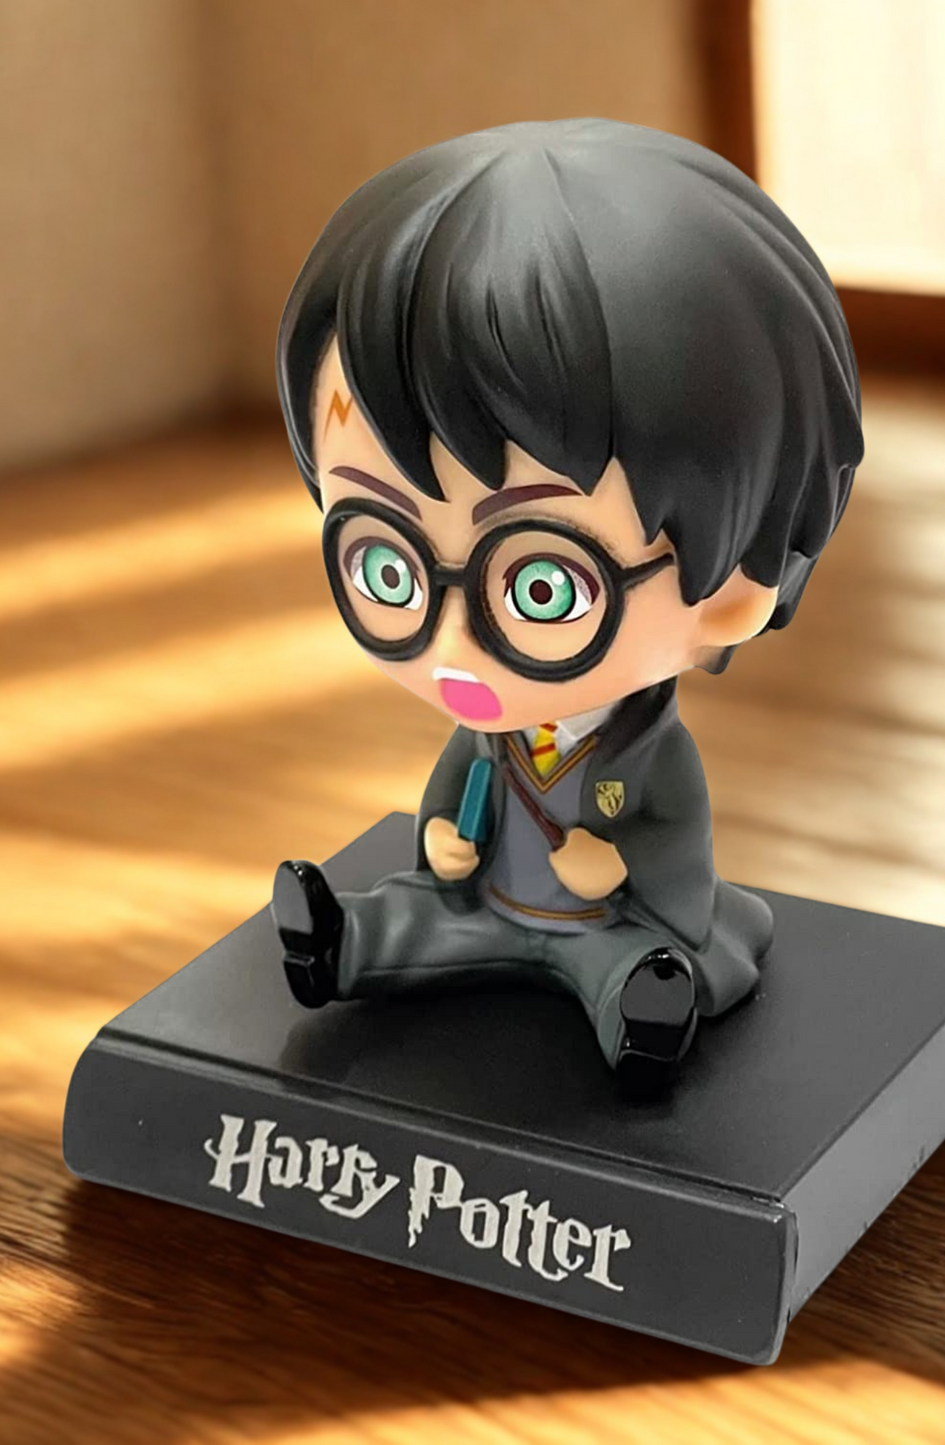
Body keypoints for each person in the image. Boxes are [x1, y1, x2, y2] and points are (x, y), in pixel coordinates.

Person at [271, 118, 862, 1094]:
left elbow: (673, 838)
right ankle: (342, 941)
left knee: (634, 961)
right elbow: (460, 788)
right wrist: (446, 839)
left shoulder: (645, 753)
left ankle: (642, 1012)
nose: (452, 642)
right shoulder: (487, 732)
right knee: (418, 917)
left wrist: (622, 870)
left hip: (609, 918)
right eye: (386, 567)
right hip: (485, 900)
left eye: (538, 587)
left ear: (731, 589)